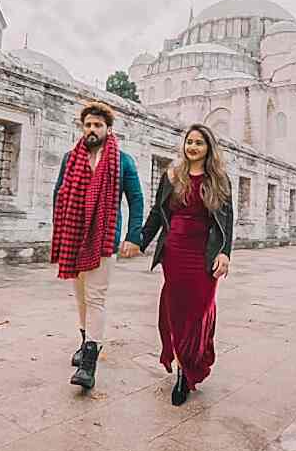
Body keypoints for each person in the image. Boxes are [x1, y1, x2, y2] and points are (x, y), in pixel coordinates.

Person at [52, 101, 144, 390]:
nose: (92, 130)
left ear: (108, 128)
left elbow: (136, 199)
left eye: (97, 125)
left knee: (96, 298)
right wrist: (60, 230)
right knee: (80, 297)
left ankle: (89, 362)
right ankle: (85, 341)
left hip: (104, 238)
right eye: (88, 125)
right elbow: (58, 193)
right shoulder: (70, 158)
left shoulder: (123, 161)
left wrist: (134, 235)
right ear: (83, 128)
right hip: (73, 237)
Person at [140, 124, 233, 406]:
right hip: (175, 251)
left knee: (200, 310)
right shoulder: (172, 175)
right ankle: (183, 371)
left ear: (209, 148)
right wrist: (140, 239)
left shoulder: (219, 180)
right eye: (189, 142)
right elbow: (158, 213)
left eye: (199, 143)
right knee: (177, 310)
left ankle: (194, 360)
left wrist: (225, 253)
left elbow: (227, 221)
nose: (192, 147)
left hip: (204, 253)